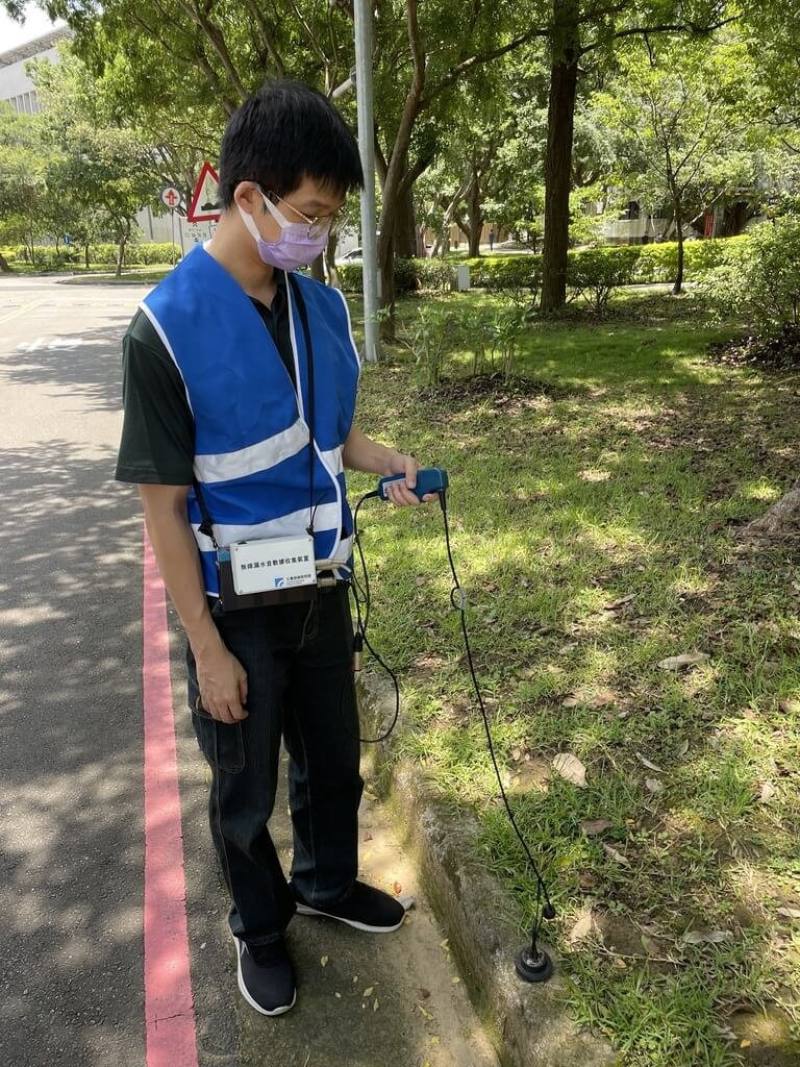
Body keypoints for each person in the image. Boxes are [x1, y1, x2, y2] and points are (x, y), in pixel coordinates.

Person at [115, 80, 437, 1017]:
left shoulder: (320, 308)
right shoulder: (164, 331)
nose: (319, 235)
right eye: (309, 214)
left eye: (332, 219)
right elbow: (165, 510)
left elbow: (331, 438)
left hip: (321, 589)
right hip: (234, 610)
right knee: (245, 789)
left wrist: (392, 460)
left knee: (334, 763)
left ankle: (330, 883)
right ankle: (261, 927)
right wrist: (207, 648)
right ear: (247, 197)